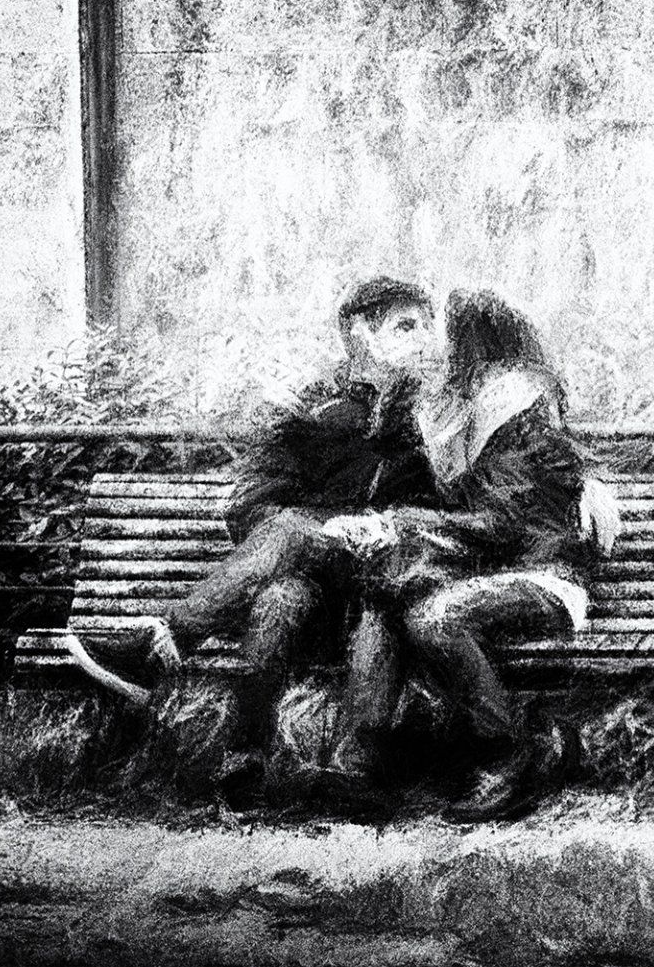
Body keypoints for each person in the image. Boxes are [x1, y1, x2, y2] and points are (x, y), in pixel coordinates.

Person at [66, 276, 444, 751]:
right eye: (406, 327)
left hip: (386, 595)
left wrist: (377, 528)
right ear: (363, 335)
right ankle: (247, 756)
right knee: (279, 600)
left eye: (427, 327)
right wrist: (319, 533)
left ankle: (166, 640)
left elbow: (448, 512)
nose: (424, 340)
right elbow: (251, 506)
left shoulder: (434, 417)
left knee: (293, 532)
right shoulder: (310, 407)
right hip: (319, 597)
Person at [329, 288, 610, 820]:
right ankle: (358, 762)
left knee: (437, 618)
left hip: (543, 579)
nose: (434, 348)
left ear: (472, 348)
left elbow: (503, 525)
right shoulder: (470, 416)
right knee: (385, 594)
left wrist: (405, 526)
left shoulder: (519, 416)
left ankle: (506, 755)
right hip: (492, 572)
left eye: (445, 338)